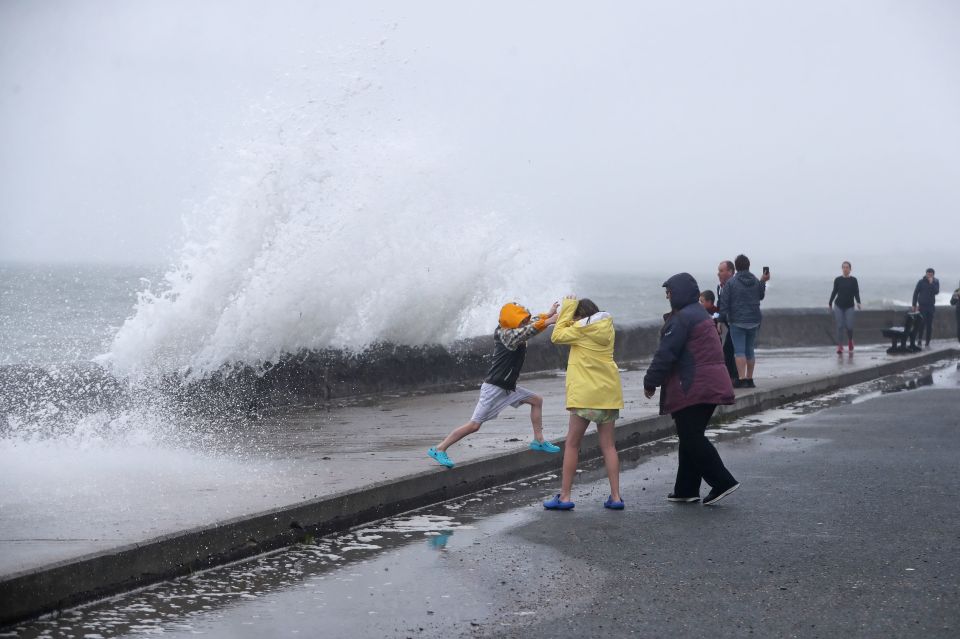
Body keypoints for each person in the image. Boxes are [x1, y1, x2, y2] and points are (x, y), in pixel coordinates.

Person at [643, 273, 739, 506]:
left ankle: (722, 481)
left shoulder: (683, 319)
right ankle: (686, 489)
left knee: (691, 436)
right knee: (689, 436)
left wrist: (650, 381)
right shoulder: (698, 314)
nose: (667, 296)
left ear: (680, 293)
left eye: (670, 292)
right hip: (709, 383)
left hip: (694, 385)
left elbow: (666, 354)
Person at [428, 301, 561, 468]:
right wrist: (548, 322)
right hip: (494, 388)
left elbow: (530, 322)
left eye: (524, 320)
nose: (524, 322)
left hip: (507, 387)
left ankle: (539, 440)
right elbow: (528, 331)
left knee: (537, 401)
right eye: (521, 320)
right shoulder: (507, 335)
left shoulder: (513, 326)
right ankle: (439, 448)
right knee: (474, 425)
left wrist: (547, 314)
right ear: (512, 321)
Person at [543, 296, 624, 510]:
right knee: (609, 446)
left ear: (578, 316)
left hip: (586, 397)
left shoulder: (579, 331)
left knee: (572, 444)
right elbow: (575, 327)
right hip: (608, 395)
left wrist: (567, 307)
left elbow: (557, 336)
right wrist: (570, 316)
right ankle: (616, 497)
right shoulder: (607, 327)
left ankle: (565, 496)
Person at [718, 254, 769, 388]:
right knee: (750, 350)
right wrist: (763, 281)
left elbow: (724, 303)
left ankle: (741, 378)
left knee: (739, 351)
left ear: (736, 267)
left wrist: (720, 320)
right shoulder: (754, 280)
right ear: (748, 265)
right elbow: (761, 295)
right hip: (754, 320)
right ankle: (750, 378)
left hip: (737, 321)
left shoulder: (731, 283)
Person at [828, 261, 862, 354]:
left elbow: (856, 292)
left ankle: (850, 340)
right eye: (843, 267)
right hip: (838, 305)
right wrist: (830, 303)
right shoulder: (838, 280)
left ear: (850, 269)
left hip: (849, 306)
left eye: (847, 267)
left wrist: (858, 302)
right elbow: (834, 291)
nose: (845, 269)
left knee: (849, 326)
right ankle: (840, 346)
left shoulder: (854, 280)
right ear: (842, 269)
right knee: (840, 326)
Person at [716, 260, 739, 382]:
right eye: (718, 271)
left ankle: (734, 377)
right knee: (728, 350)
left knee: (729, 350)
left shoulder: (736, 285)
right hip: (727, 323)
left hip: (736, 322)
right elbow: (721, 305)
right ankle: (733, 376)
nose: (718, 274)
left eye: (721, 271)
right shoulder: (720, 287)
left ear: (730, 272)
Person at [912, 268, 940, 347]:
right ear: (926, 274)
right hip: (922, 306)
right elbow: (916, 293)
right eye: (928, 274)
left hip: (931, 306)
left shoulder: (936, 282)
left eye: (931, 275)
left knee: (929, 325)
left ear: (933, 275)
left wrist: (931, 283)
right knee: (921, 323)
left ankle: (927, 341)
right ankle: (920, 339)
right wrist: (914, 304)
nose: (929, 276)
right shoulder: (921, 282)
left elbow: (936, 292)